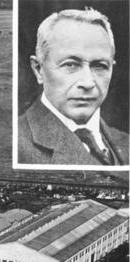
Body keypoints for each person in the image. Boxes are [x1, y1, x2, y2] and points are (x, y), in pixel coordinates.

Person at [18, 8, 128, 166]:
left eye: (100, 66)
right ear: (38, 69)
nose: (88, 82)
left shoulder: (126, 143)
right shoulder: (17, 143)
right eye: (70, 65)